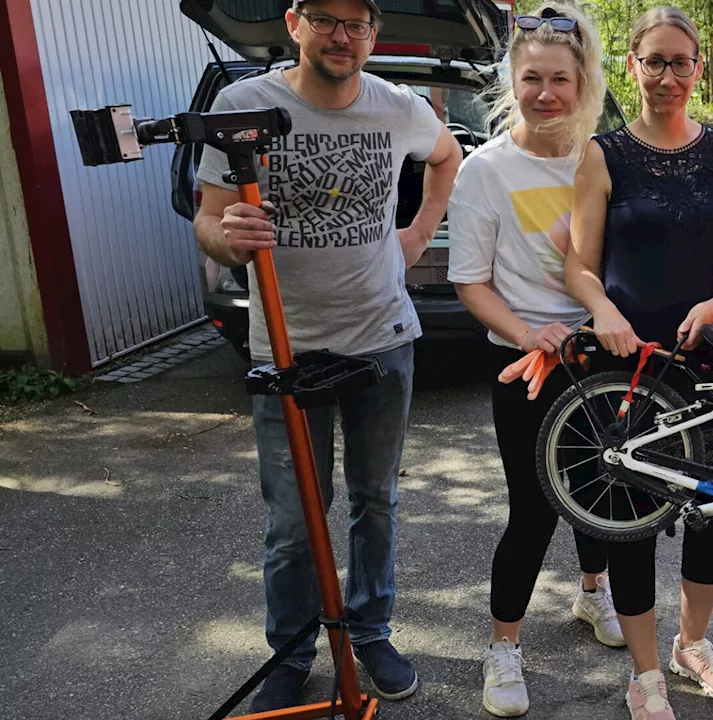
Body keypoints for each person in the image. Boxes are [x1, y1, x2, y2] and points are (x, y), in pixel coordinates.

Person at [193, 0, 462, 711]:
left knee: (377, 502)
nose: (342, 36)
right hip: (285, 346)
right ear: (293, 23)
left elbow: (447, 156)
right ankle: (292, 650)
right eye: (325, 19)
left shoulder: (398, 106)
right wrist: (230, 237)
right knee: (291, 519)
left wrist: (418, 230)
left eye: (357, 23)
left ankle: (370, 633)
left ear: (374, 33)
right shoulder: (241, 104)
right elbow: (208, 217)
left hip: (382, 341)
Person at [563, 6, 713, 719]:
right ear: (633, 66)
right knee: (636, 519)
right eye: (654, 61)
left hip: (711, 358)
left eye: (682, 62)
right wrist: (602, 309)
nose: (667, 76)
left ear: (699, 68)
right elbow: (578, 267)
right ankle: (645, 674)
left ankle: (692, 645)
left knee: (711, 510)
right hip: (631, 366)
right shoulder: (601, 153)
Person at [446, 3, 626, 716]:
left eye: (560, 79)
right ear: (510, 80)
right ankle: (504, 648)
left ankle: (592, 595)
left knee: (602, 494)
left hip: (603, 363)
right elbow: (470, 280)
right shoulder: (485, 170)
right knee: (533, 512)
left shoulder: (602, 158)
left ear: (584, 83)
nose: (546, 93)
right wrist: (526, 333)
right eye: (532, 79)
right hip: (528, 369)